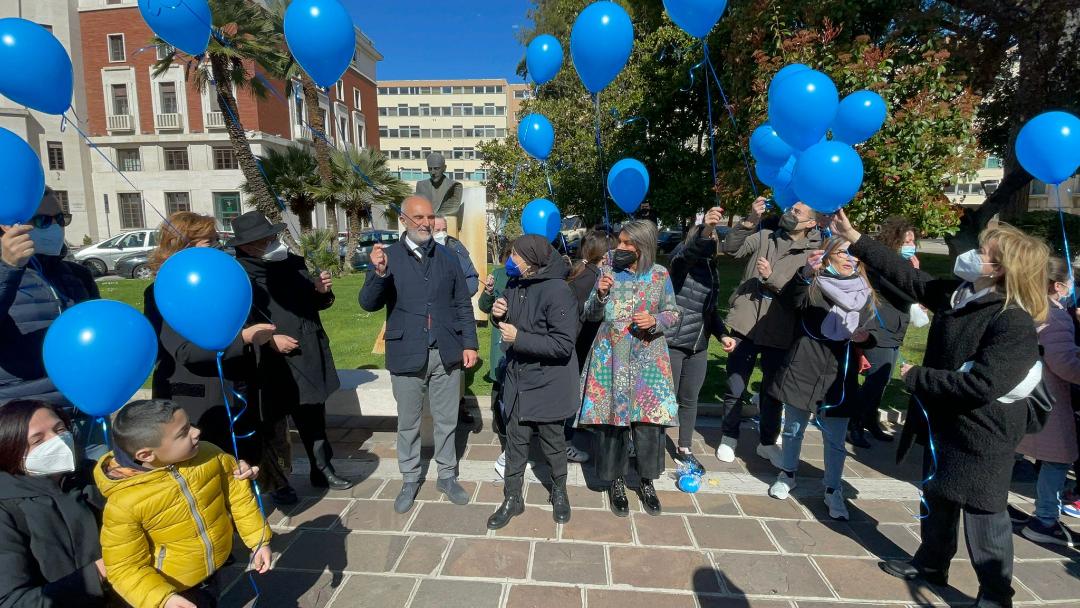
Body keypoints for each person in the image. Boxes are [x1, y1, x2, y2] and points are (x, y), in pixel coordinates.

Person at [832, 211, 1048, 608]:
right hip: (945, 423)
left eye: (982, 251)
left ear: (1001, 269)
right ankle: (932, 565)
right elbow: (910, 278)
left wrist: (918, 377)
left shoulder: (1011, 320)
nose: (972, 254)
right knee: (937, 495)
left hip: (983, 433)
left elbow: (983, 385)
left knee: (984, 514)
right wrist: (856, 238)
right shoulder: (962, 294)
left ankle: (997, 594)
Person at [359, 195, 479, 514]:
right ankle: (410, 478)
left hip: (447, 352)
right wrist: (378, 274)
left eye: (429, 217)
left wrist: (470, 344)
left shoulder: (448, 257)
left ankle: (447, 475)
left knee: (446, 420)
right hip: (407, 352)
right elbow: (368, 304)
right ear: (403, 220)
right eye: (418, 217)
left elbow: (462, 306)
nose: (425, 223)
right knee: (408, 423)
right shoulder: (388, 257)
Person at [142, 212, 279, 493]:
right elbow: (183, 352)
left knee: (242, 470)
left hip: (237, 389)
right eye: (210, 241)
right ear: (183, 246)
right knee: (207, 478)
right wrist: (244, 338)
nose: (219, 247)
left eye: (218, 240)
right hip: (198, 401)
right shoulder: (163, 291)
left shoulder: (219, 281)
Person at [96, 399, 272, 608]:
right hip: (173, 587)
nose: (196, 432)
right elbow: (124, 566)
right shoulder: (124, 504)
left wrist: (258, 539)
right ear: (146, 454)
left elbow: (239, 497)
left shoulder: (210, 454)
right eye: (183, 433)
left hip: (212, 569)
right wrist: (162, 599)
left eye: (190, 424)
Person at [230, 211, 352, 502]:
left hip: (306, 351)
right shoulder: (238, 277)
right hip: (268, 363)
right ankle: (278, 482)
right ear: (248, 246)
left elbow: (316, 302)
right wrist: (270, 340)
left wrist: (321, 291)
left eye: (274, 236)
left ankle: (322, 468)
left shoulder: (293, 263)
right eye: (266, 239)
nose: (275, 242)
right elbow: (236, 322)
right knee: (272, 426)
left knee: (313, 416)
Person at [766, 238, 876, 521]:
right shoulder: (815, 281)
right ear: (829, 256)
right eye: (843, 252)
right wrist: (804, 274)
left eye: (854, 254)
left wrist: (866, 339)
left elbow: (871, 331)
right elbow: (790, 301)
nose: (850, 258)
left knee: (836, 439)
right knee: (792, 428)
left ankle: (833, 489)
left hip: (839, 373)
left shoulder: (865, 290)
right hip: (805, 364)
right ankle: (787, 473)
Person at [579, 220, 680, 517]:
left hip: (649, 361)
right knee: (614, 424)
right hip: (612, 358)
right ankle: (616, 482)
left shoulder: (660, 275)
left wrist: (657, 321)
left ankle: (646, 481)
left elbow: (674, 312)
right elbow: (589, 314)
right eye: (619, 242)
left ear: (643, 246)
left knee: (648, 425)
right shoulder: (607, 271)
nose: (619, 248)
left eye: (626, 243)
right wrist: (599, 294)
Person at [715, 197, 824, 465]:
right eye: (790, 208)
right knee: (736, 385)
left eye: (797, 211)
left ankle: (767, 441)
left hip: (780, 328)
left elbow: (803, 295)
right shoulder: (765, 235)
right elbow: (731, 248)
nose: (789, 213)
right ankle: (729, 436)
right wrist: (751, 219)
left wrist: (771, 277)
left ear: (811, 222)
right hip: (745, 324)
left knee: (772, 391)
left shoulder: (815, 252)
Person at [0, 189, 104, 458]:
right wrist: (8, 269)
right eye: (43, 221)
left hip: (84, 410)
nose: (56, 227)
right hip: (26, 423)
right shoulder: (7, 272)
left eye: (61, 218)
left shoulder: (74, 274)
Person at [486, 235, 580, 528]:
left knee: (553, 444)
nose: (510, 260)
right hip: (518, 381)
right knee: (515, 445)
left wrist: (520, 338)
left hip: (548, 384)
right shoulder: (515, 285)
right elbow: (508, 324)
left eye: (516, 255)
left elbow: (563, 344)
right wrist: (497, 314)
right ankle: (513, 498)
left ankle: (560, 492)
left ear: (532, 261)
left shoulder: (558, 291)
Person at [0, 400, 107, 606]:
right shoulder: (7, 507)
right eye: (38, 440)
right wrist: (99, 573)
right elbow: (12, 601)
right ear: (10, 448)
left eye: (60, 429)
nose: (57, 440)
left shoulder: (95, 476)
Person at [1013, 256, 1080, 546]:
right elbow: (1064, 362)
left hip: (1024, 394)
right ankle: (1044, 519)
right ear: (1058, 286)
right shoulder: (1056, 316)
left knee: (1022, 451)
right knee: (1057, 460)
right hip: (1050, 397)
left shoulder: (1024, 307)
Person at [665, 207, 734, 473]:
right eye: (711, 235)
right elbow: (686, 255)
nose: (714, 239)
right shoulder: (680, 264)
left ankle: (684, 449)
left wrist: (723, 333)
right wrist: (705, 229)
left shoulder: (712, 270)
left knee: (690, 398)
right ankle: (650, 444)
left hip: (699, 344)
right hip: (673, 340)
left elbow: (709, 309)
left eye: (715, 236)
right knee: (665, 398)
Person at [849, 217, 921, 447]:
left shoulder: (902, 266)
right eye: (906, 240)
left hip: (895, 328)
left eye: (913, 240)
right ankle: (854, 424)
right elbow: (908, 294)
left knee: (884, 379)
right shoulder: (884, 265)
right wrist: (916, 273)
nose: (911, 244)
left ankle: (870, 420)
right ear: (894, 242)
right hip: (878, 327)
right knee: (876, 378)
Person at [564, 230, 617, 466]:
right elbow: (592, 315)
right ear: (604, 255)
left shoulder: (582, 271)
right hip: (581, 343)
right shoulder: (593, 278)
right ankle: (565, 443)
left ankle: (573, 429)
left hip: (575, 342)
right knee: (572, 395)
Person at [433, 214, 480, 424]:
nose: (440, 233)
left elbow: (472, 278)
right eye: (436, 229)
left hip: (454, 318)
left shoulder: (456, 248)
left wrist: (457, 293)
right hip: (428, 319)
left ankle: (458, 406)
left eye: (444, 229)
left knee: (455, 366)